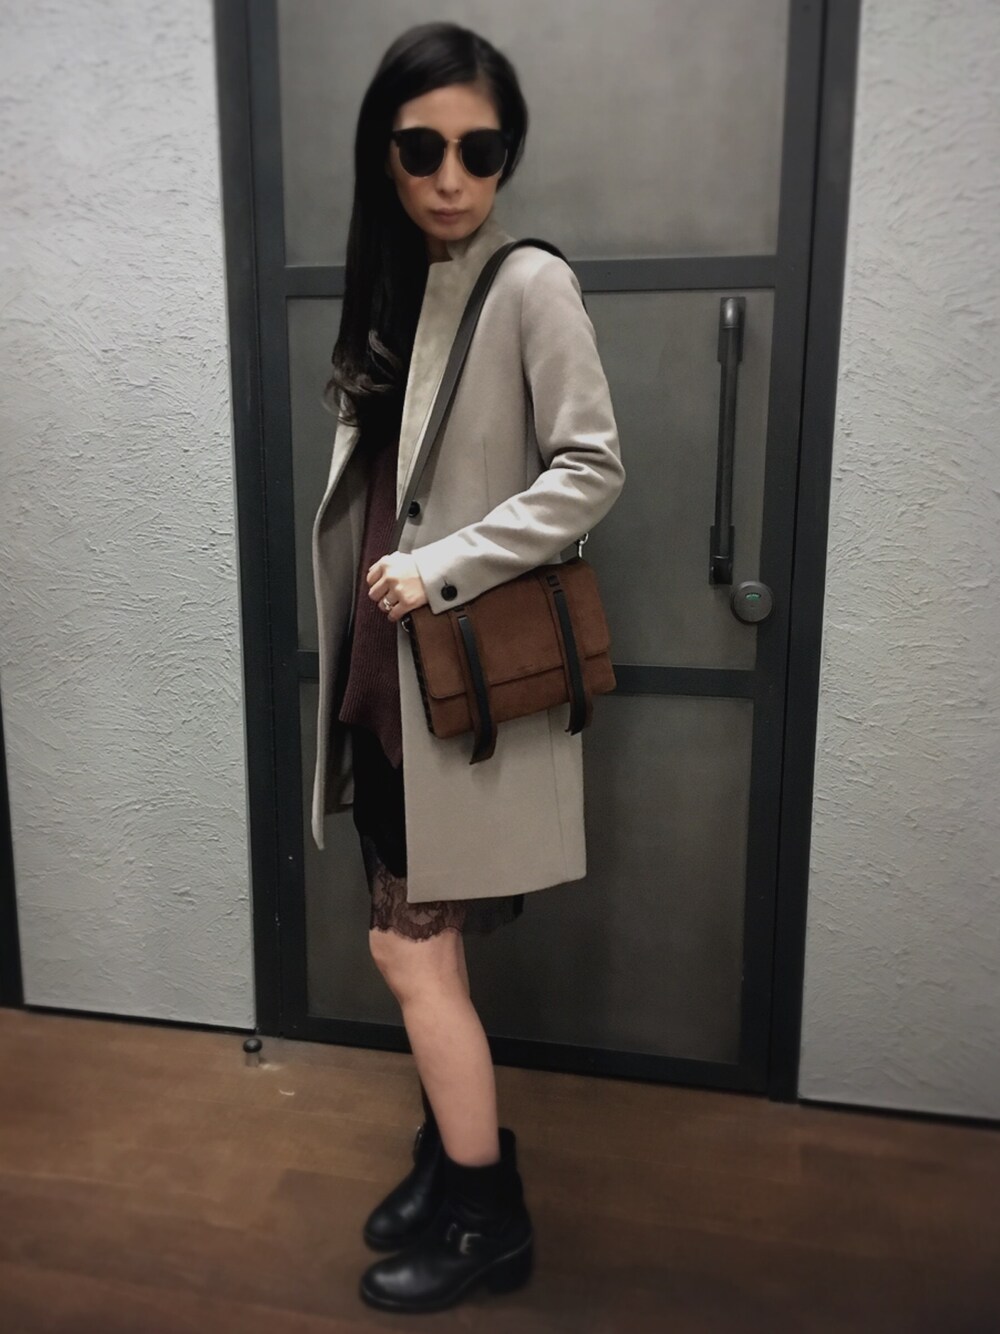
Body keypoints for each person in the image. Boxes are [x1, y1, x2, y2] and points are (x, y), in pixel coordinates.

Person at [310, 20, 625, 1314]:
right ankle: (454, 1153)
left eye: (480, 151)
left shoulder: (528, 284)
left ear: (508, 156)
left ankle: (487, 1215)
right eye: (422, 148)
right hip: (389, 677)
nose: (451, 177)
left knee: (411, 958)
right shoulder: (400, 284)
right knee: (419, 952)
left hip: (452, 680)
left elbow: (591, 469)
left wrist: (443, 564)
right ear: (382, 154)